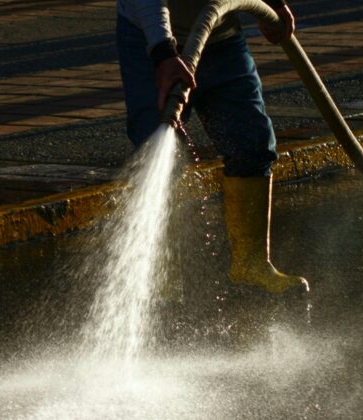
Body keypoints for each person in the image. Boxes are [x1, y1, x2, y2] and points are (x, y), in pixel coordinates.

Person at [116, 0, 308, 293]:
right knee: (157, 146)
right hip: (149, 39)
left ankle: (250, 265)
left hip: (221, 38)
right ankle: (160, 280)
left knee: (251, 142)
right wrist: (164, 54)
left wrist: (274, 4)